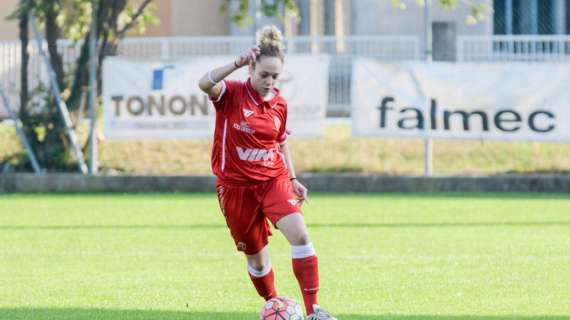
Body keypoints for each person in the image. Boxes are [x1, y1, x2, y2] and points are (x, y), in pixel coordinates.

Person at [198, 25, 337, 320]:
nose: (270, 82)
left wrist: (293, 178)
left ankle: (314, 312)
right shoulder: (232, 94)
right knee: (258, 260)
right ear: (251, 69)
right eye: (264, 75)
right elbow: (204, 83)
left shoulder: (279, 103)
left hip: (273, 180)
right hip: (235, 187)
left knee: (300, 236)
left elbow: (280, 143)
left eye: (275, 76)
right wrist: (234, 63)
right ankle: (275, 305)